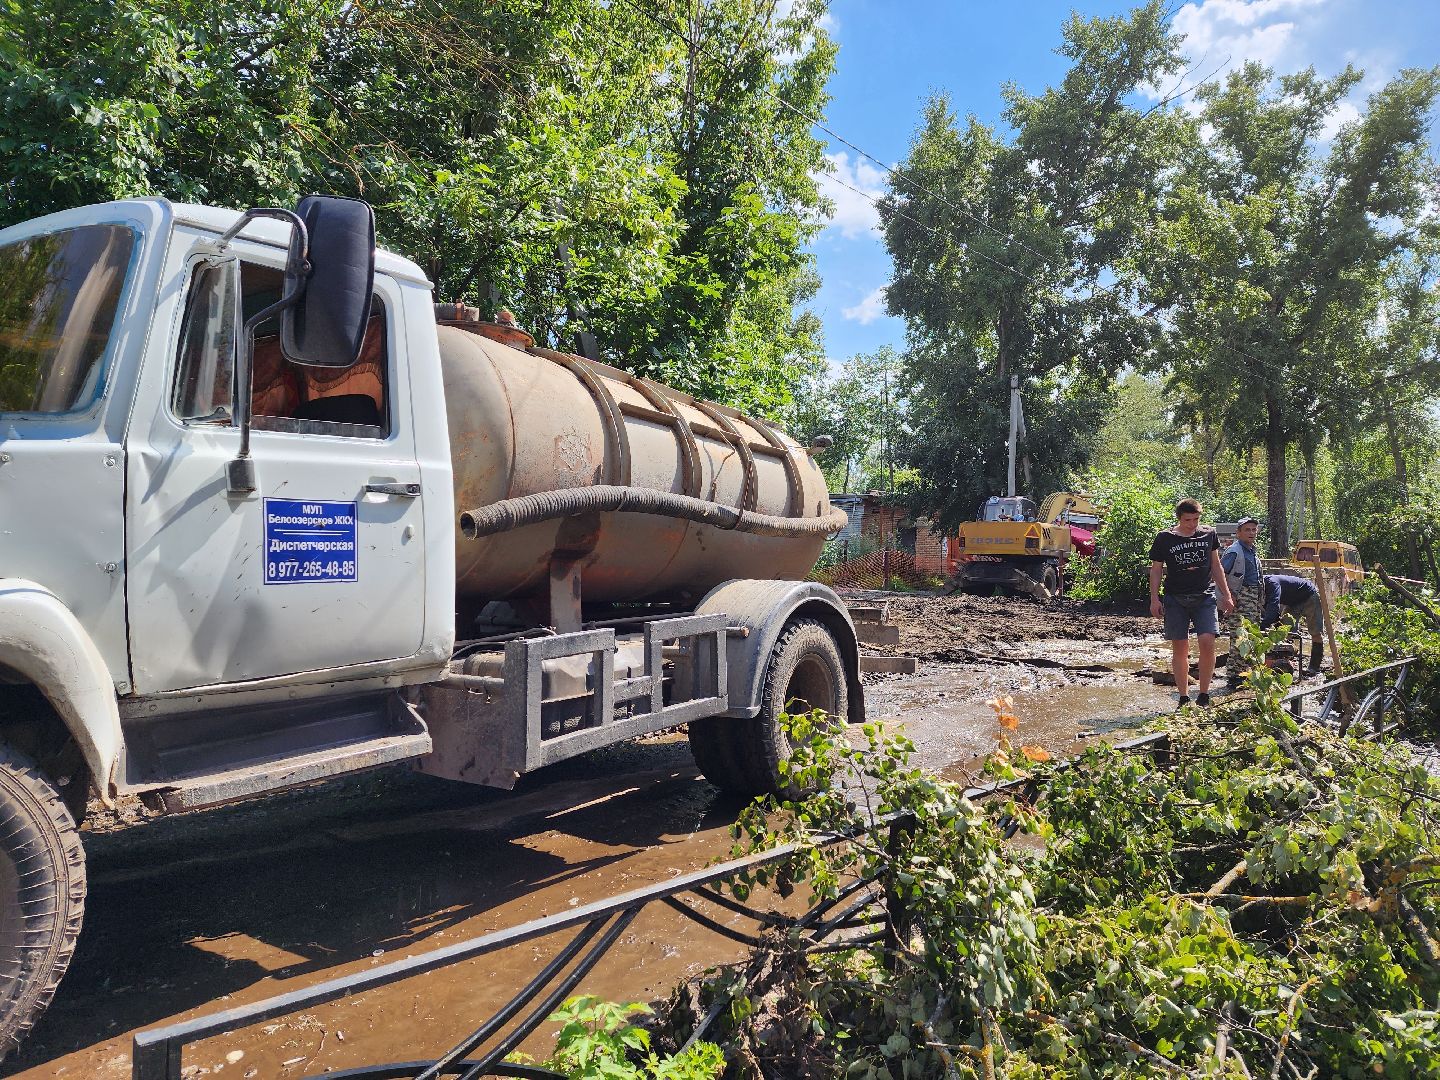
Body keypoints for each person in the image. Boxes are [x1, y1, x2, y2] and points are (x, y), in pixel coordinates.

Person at [1149, 499, 1236, 708]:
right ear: (1179, 518)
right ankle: (1184, 697)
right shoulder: (1165, 538)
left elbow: (1216, 565)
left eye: (1196, 519)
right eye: (1188, 520)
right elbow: (1156, 569)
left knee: (1207, 641)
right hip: (1175, 598)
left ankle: (1204, 694)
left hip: (1204, 596)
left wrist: (1226, 594)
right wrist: (1154, 599)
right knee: (1180, 647)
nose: (1192, 524)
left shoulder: (1208, 534)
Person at [1220, 517, 1265, 687]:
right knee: (1239, 636)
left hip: (1253, 598)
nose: (1251, 533)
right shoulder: (1234, 551)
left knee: (1251, 636)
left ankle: (1245, 673)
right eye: (1247, 530)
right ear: (1238, 533)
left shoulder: (1252, 551)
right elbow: (1220, 574)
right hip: (1240, 597)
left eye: (1254, 530)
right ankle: (1233, 676)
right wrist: (1229, 596)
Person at [1263, 573, 1325, 676]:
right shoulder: (1261, 588)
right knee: (1284, 631)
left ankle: (1314, 668)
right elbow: (1267, 608)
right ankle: (1285, 662)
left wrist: (1263, 627)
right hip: (1293, 602)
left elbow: (1273, 607)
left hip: (1309, 595)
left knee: (1316, 632)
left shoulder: (1271, 583)